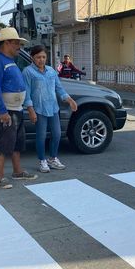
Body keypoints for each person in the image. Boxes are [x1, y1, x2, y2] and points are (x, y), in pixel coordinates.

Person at [0, 27, 38, 189]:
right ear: (7, 43)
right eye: (16, 43)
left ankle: (17, 171)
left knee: (17, 143)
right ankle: (0, 178)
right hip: (7, 110)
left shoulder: (10, 60)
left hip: (17, 109)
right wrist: (2, 111)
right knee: (4, 143)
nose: (19, 47)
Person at [23, 45, 78, 173]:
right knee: (41, 136)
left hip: (53, 108)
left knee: (57, 134)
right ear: (32, 57)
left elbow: (59, 88)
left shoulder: (51, 71)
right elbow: (26, 93)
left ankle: (52, 159)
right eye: (38, 57)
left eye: (43, 57)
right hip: (39, 109)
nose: (41, 60)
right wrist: (30, 110)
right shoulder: (27, 72)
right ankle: (42, 160)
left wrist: (70, 100)